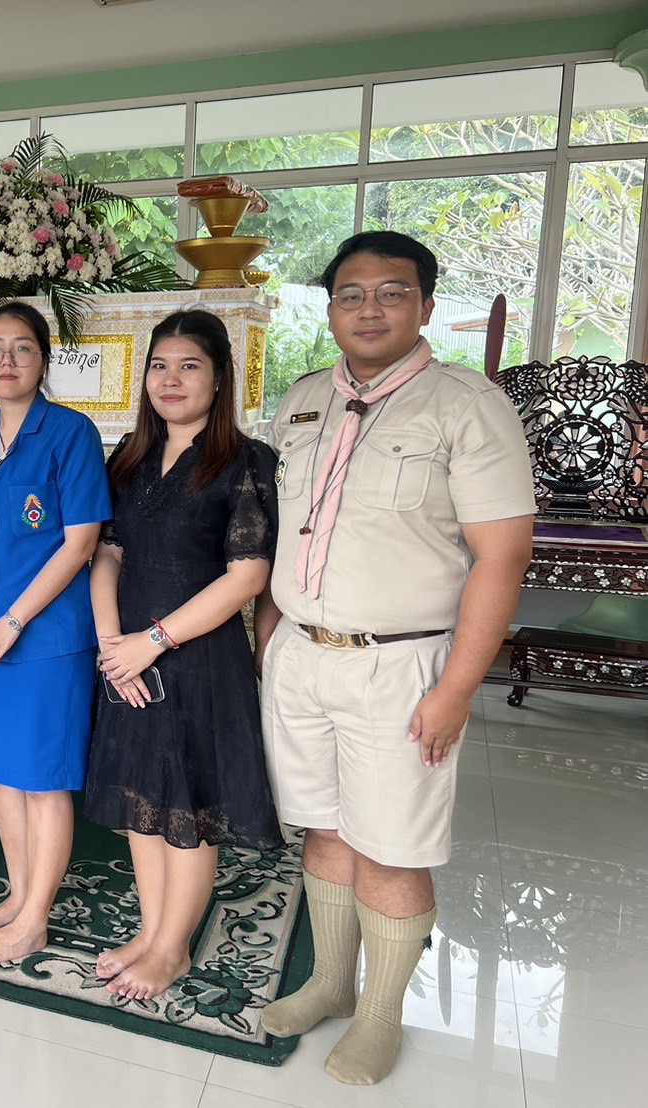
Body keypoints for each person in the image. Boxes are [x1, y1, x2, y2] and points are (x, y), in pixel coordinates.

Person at [255, 231, 535, 1085]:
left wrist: (456, 688)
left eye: (389, 292)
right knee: (324, 828)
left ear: (421, 305)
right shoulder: (302, 400)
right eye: (350, 293)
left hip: (400, 666)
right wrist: (270, 633)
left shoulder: (466, 404)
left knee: (391, 847)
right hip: (301, 657)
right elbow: (274, 530)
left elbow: (503, 554)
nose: (367, 308)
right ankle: (331, 984)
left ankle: (380, 1016)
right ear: (331, 306)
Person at [84, 310, 284, 1000]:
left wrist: (153, 641)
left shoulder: (244, 461)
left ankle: (171, 947)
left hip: (194, 659)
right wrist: (113, 646)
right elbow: (105, 554)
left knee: (188, 809)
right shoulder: (129, 457)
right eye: (159, 366)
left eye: (189, 366)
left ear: (220, 377)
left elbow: (246, 576)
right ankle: (149, 929)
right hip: (127, 658)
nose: (170, 380)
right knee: (143, 799)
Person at [0, 301, 111, 964]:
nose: (5, 361)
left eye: (21, 348)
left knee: (41, 779)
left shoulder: (70, 434)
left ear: (44, 360)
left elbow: (80, 543)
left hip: (45, 638)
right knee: (3, 775)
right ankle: (18, 894)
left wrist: (13, 620)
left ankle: (35, 917)